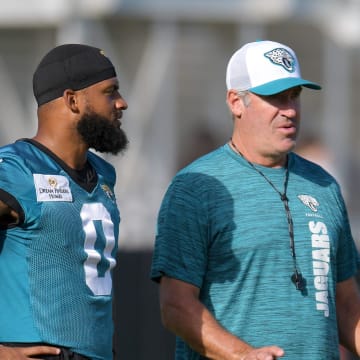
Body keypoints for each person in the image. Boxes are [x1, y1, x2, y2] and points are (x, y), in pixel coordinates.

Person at [150, 40, 360, 359]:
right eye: (275, 97)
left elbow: (346, 305)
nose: (289, 110)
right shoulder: (196, 187)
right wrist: (242, 354)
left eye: (294, 96)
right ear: (236, 101)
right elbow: (175, 306)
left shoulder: (324, 185)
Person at [0, 44, 129, 359]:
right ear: (73, 100)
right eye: (110, 92)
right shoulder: (16, 169)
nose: (122, 103)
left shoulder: (104, 175)